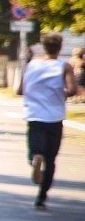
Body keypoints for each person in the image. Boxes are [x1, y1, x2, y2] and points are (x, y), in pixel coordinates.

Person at [16, 33, 77, 210]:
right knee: (51, 159)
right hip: (55, 117)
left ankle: (35, 158)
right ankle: (41, 197)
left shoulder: (32, 65)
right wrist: (59, 93)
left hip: (34, 114)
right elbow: (72, 90)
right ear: (59, 48)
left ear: (44, 47)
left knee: (35, 149)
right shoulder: (64, 66)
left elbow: (20, 89)